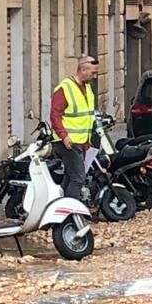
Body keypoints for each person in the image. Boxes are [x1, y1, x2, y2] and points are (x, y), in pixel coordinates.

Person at [51, 57, 98, 201]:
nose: (94, 76)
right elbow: (55, 114)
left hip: (80, 142)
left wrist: (87, 141)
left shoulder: (87, 87)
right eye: (92, 73)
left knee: (69, 177)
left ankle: (61, 207)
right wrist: (64, 136)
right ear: (82, 70)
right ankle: (71, 214)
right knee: (78, 178)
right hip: (68, 142)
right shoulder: (65, 88)